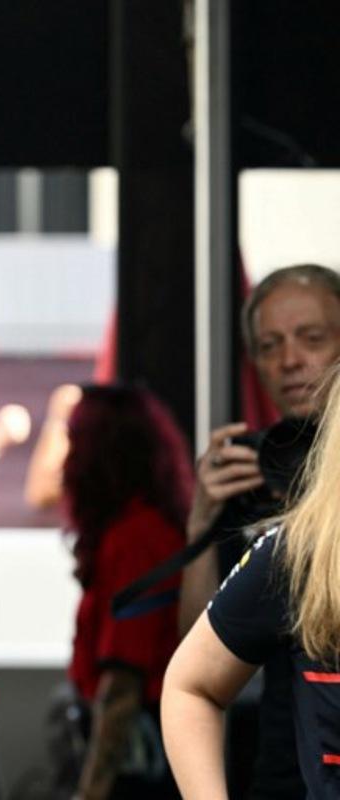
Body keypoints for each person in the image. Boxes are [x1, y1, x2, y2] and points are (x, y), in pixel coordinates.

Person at [177, 263, 340, 796]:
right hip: (285, 771)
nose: (291, 360)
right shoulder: (248, 473)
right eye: (269, 346)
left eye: (311, 338)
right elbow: (194, 652)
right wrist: (202, 522)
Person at [60, 386, 193, 799]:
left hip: (138, 758)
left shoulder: (135, 539)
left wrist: (91, 790)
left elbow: (122, 685)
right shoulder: (148, 529)